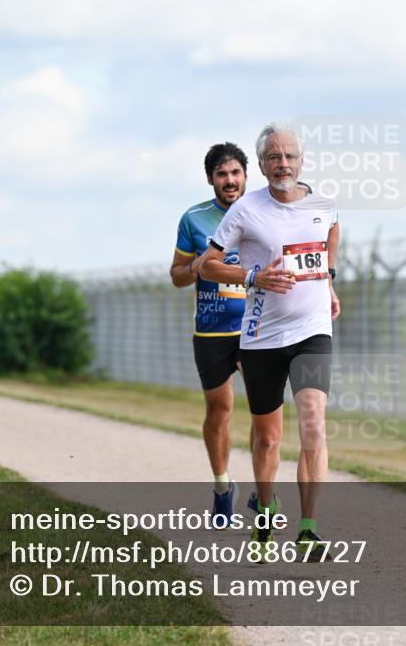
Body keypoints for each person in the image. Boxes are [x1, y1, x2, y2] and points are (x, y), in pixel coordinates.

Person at [199, 122, 341, 562]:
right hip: (261, 337)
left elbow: (331, 233)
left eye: (290, 157)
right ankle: (266, 510)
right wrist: (253, 276)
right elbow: (207, 266)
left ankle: (309, 528)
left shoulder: (323, 204)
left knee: (314, 420)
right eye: (274, 158)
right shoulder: (245, 211)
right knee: (266, 439)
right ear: (261, 166)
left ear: (302, 162)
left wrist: (329, 280)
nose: (284, 164)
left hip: (313, 331)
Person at [170, 143, 250, 527]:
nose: (230, 181)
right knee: (220, 410)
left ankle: (265, 493)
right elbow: (176, 277)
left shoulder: (265, 214)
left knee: (267, 411)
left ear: (246, 176)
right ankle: (222, 488)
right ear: (210, 179)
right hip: (213, 330)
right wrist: (199, 268)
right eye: (222, 174)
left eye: (235, 173)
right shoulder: (194, 219)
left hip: (258, 329)